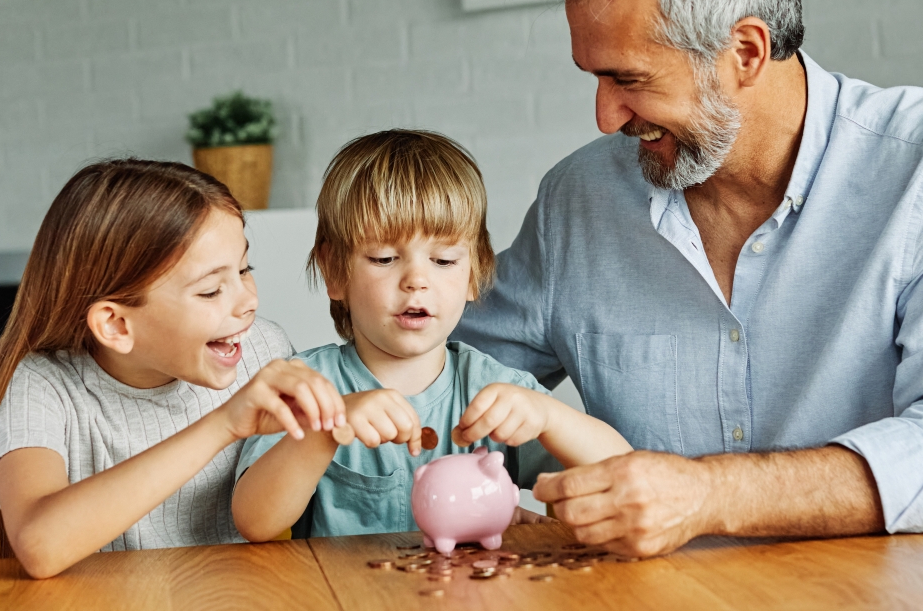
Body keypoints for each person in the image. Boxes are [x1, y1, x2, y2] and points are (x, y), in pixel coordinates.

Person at [453, 0, 923, 556]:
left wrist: (708, 495)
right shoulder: (577, 200)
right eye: (595, 77)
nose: (606, 117)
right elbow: (442, 381)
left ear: (745, 52)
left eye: (628, 79)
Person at [231, 130, 632, 543]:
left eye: (443, 260)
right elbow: (254, 521)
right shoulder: (305, 389)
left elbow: (624, 473)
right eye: (384, 258)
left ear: (475, 272)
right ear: (335, 271)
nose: (417, 281)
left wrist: (551, 418)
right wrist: (323, 434)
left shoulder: (493, 387)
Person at [0, 159, 344, 578]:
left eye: (245, 270)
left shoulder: (263, 348)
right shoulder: (43, 385)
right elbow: (39, 545)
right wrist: (223, 424)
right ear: (116, 325)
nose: (248, 301)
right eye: (210, 290)